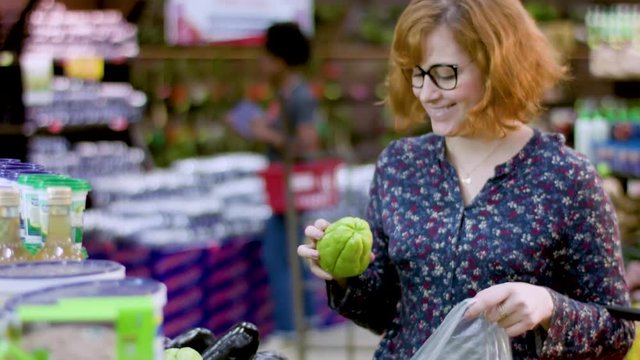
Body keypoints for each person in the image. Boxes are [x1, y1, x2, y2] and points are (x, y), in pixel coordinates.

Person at [297, 0, 636, 358]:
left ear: (499, 67)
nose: (427, 93)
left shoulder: (566, 177)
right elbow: (386, 313)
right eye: (417, 73)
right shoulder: (400, 165)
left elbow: (618, 333)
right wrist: (345, 275)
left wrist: (550, 307)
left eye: (445, 73)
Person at [248, 22, 321, 336]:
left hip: (292, 192)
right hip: (281, 190)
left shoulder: (300, 97)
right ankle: (304, 323)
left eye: (266, 56)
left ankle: (292, 330)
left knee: (281, 258)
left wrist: (269, 136)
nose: (261, 63)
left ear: (280, 59)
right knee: (287, 256)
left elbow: (309, 144)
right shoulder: (285, 94)